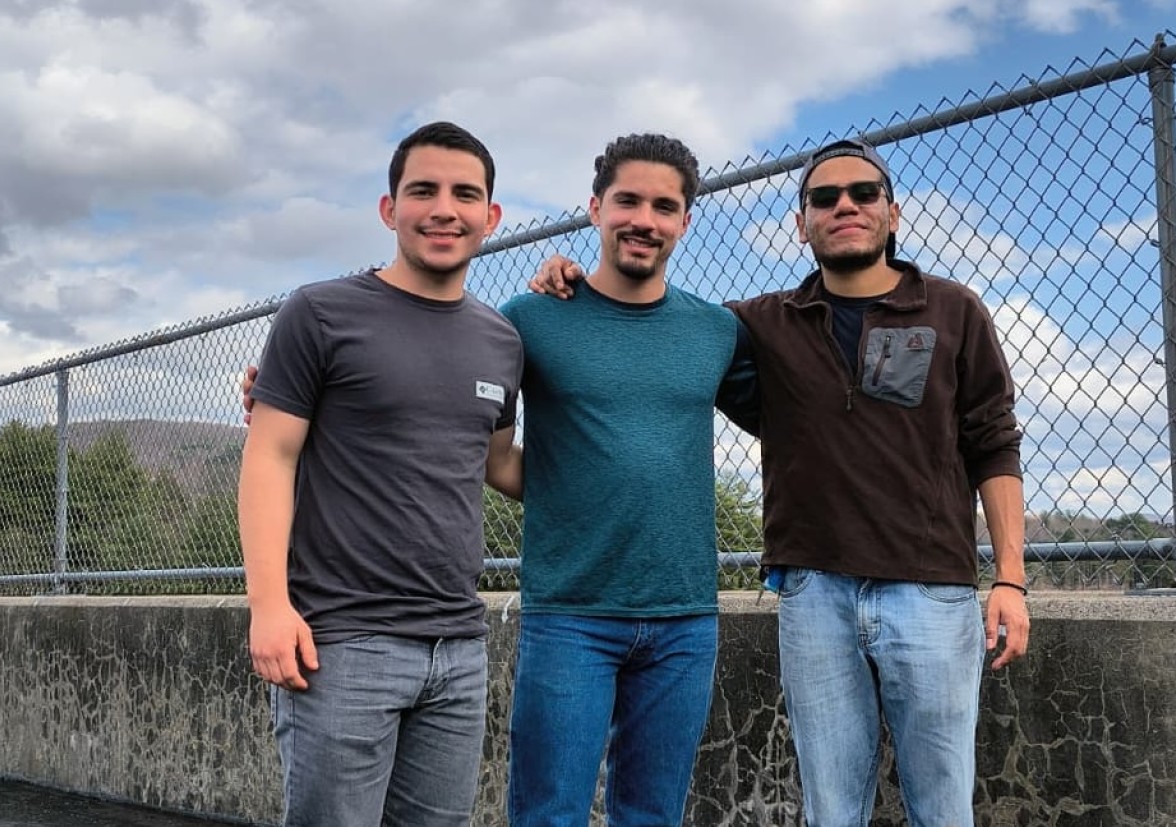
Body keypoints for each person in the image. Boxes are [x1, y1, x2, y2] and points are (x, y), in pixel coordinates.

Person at [532, 137, 1029, 826]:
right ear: (801, 223)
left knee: (943, 805)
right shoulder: (756, 325)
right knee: (830, 808)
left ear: (894, 213)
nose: (844, 206)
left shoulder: (952, 310)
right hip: (812, 593)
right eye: (823, 198)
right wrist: (568, 280)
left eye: (863, 194)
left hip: (932, 591)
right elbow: (653, 321)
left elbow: (994, 442)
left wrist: (1010, 575)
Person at [237, 121, 523, 827]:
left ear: (490, 216)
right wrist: (269, 606)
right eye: (422, 190)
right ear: (389, 208)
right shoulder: (321, 312)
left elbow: (501, 464)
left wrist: (624, 461)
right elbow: (270, 455)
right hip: (342, 643)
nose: (443, 209)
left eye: (465, 194)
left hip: (458, 646)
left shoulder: (502, 339)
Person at [500, 133, 755, 827]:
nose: (645, 218)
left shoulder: (716, 331)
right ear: (594, 208)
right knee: (548, 813)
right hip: (569, 614)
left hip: (684, 617)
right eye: (628, 200)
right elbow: (489, 454)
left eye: (664, 206)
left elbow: (808, 411)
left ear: (685, 221)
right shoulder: (530, 319)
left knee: (651, 815)